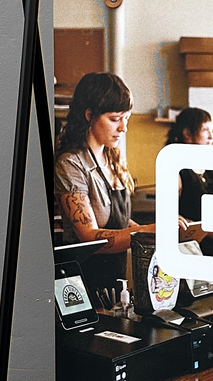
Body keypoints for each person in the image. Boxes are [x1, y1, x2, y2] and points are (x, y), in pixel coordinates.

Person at [54, 72, 185, 294]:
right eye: (115, 119)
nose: (123, 128)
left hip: (115, 281)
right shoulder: (71, 164)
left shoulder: (112, 157)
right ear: (89, 115)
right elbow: (89, 236)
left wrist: (159, 229)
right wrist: (148, 230)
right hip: (82, 284)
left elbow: (120, 223)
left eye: (127, 118)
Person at [163, 107, 213, 257]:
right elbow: (170, 217)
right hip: (190, 251)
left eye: (212, 130)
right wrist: (210, 232)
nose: (211, 137)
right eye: (205, 130)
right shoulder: (175, 169)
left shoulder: (210, 169)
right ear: (187, 134)